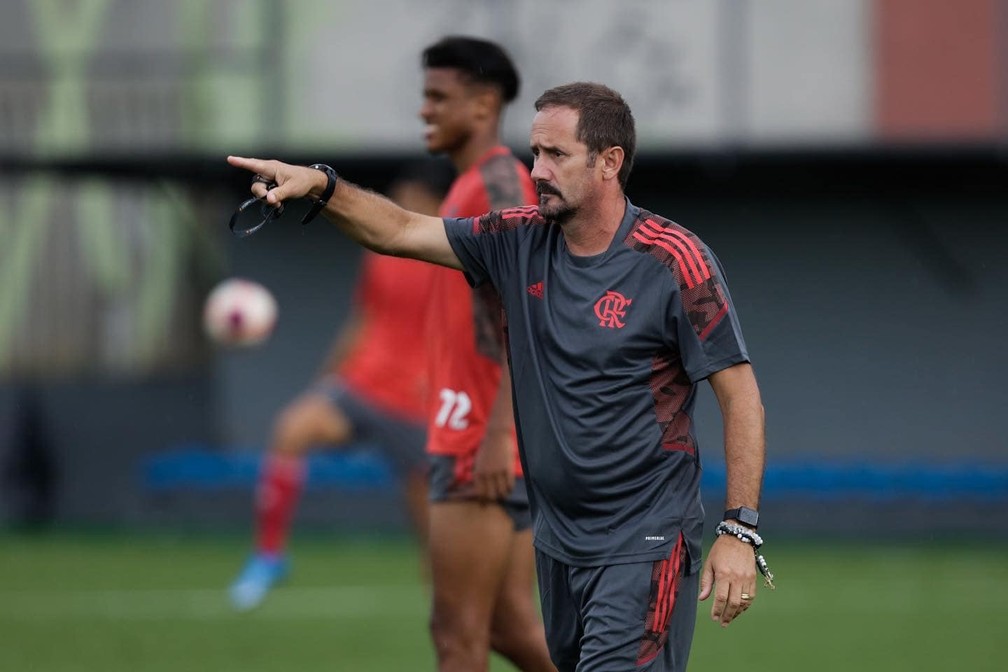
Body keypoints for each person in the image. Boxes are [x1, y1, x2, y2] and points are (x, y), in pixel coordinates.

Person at [227, 80, 768, 671]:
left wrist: (739, 530)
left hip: (646, 542)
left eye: (556, 155)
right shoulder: (518, 239)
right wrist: (322, 187)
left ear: (609, 162)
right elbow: (402, 230)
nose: (536, 170)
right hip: (558, 543)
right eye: (535, 152)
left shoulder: (673, 260)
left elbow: (740, 396)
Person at [228, 158, 455, 611]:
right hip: (362, 384)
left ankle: (444, 600)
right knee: (292, 429)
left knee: (433, 537)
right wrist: (328, 378)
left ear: (439, 203)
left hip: (415, 402)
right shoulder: (383, 252)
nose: (404, 204)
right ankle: (269, 555)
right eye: (401, 195)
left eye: (414, 197)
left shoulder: (451, 253)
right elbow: (363, 320)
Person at [414, 36, 555, 672]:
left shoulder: (499, 180)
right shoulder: (472, 183)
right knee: (507, 627)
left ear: (483, 105)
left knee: (456, 635)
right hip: (480, 429)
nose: (425, 110)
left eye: (438, 97)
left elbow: (531, 299)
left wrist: (500, 428)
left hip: (480, 436)